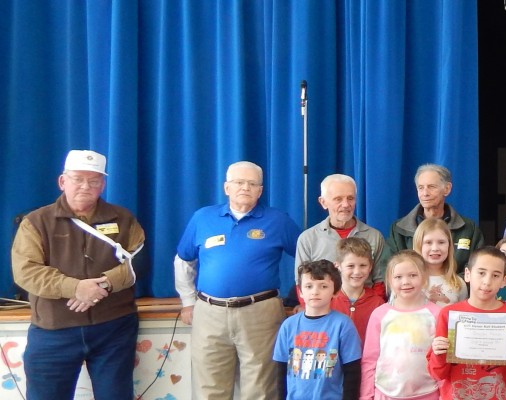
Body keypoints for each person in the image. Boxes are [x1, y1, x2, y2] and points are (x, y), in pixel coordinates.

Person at [11, 150, 145, 399]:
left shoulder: (124, 219)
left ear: (103, 185)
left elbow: (139, 262)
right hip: (53, 330)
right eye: (78, 179)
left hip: (114, 328)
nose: (86, 186)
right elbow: (26, 271)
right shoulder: (36, 221)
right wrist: (75, 288)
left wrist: (104, 284)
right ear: (63, 181)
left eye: (94, 181)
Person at [174, 161, 302, 400]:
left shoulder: (278, 220)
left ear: (260, 191)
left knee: (261, 389)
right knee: (208, 388)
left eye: (252, 184)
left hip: (261, 314)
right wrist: (188, 302)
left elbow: (306, 259)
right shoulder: (202, 218)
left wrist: (303, 298)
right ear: (226, 187)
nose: (245, 188)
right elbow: (183, 260)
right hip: (209, 314)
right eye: (239, 182)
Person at [427, 247, 506, 399]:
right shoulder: (449, 314)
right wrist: (438, 353)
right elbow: (437, 374)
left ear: (504, 280)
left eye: (495, 275)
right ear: (467, 274)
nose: (487, 281)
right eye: (481, 273)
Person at [273, 260, 362, 400]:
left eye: (323, 286)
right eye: (309, 286)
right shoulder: (288, 326)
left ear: (335, 291)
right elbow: (281, 371)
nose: (315, 292)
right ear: (300, 292)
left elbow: (352, 372)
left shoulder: (343, 325)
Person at [377, 164, 484, 279]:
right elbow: (388, 268)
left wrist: (449, 286)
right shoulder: (399, 229)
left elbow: (478, 268)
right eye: (421, 188)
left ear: (447, 189)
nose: (425, 193)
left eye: (431, 187)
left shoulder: (468, 228)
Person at [360, 250, 442, 400]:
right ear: (389, 280)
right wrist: (366, 396)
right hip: (385, 394)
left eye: (413, 275)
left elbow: (442, 359)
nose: (405, 282)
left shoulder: (436, 314)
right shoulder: (380, 314)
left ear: (424, 277)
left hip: (428, 394)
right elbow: (369, 360)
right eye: (398, 277)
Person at [296, 174, 385, 298]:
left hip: (366, 305)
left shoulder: (374, 236)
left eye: (350, 198)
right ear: (323, 202)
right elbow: (301, 285)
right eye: (338, 199)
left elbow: (380, 282)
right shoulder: (307, 239)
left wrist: (372, 306)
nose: (346, 204)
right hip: (323, 308)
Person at [328, 237, 386, 343]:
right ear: (337, 266)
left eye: (363, 265)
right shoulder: (327, 300)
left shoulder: (378, 303)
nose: (357, 272)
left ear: (370, 267)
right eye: (350, 266)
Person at [414, 218, 468, 306]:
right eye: (428, 242)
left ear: (449, 246)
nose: (435, 248)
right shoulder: (408, 282)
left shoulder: (459, 284)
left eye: (441, 242)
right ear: (418, 245)